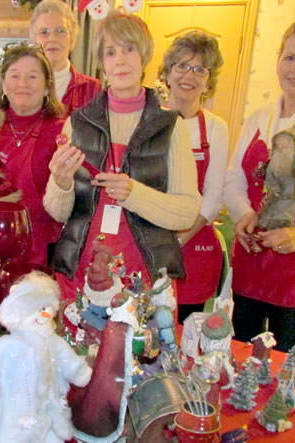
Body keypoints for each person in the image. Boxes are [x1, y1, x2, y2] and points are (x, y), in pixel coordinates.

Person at [44, 11, 200, 302]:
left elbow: (187, 212)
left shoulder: (171, 126)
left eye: (129, 49)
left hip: (144, 276)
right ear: (102, 63)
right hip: (82, 270)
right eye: (111, 52)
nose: (121, 59)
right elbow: (58, 213)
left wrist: (133, 193)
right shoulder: (77, 123)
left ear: (144, 56)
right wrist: (60, 182)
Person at [224, 18, 295, 355]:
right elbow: (235, 177)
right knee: (239, 348)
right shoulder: (260, 117)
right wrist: (243, 213)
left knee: (283, 358)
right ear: (278, 60)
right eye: (290, 57)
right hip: (251, 257)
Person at [0, 271, 92, 443]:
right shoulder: (7, 345)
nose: (41, 315)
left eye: (45, 309)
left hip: (48, 410)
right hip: (13, 409)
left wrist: (79, 373)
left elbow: (69, 362)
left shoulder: (54, 343)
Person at [157, 30, 228, 323]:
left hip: (193, 247)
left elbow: (213, 197)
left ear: (208, 80)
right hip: (151, 241)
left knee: (186, 335)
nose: (190, 75)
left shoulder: (215, 128)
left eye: (200, 69)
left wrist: (177, 241)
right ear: (168, 73)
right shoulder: (150, 120)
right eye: (182, 65)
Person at [0, 43, 67, 266]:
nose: (22, 84)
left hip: (43, 250)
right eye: (14, 76)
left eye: (32, 77)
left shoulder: (62, 131)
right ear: (4, 85)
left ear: (46, 87)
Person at [29, 0, 101, 114]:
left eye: (60, 31)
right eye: (44, 32)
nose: (52, 38)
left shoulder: (91, 88)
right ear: (35, 40)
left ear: (72, 39)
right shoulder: (24, 86)